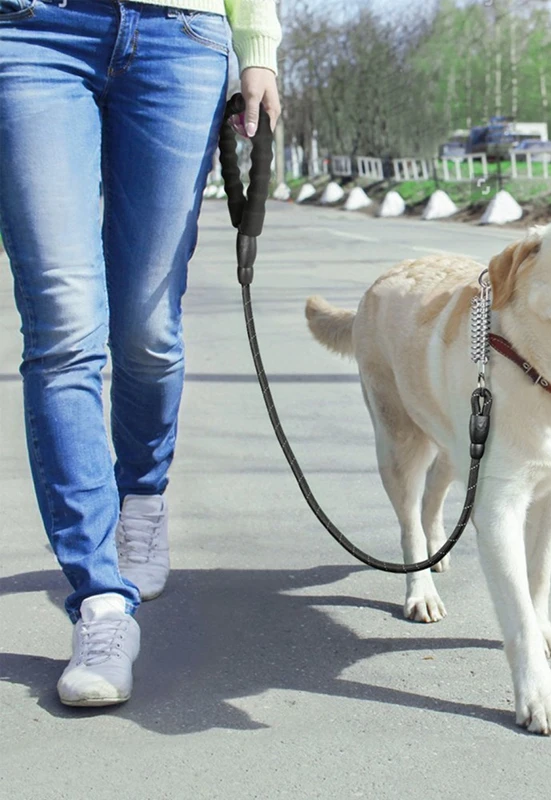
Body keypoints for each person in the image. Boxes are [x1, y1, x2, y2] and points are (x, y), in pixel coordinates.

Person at [0, 0, 281, 706]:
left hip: (178, 34)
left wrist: (258, 48)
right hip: (30, 29)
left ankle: (142, 498)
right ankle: (100, 603)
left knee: (148, 329)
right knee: (64, 326)